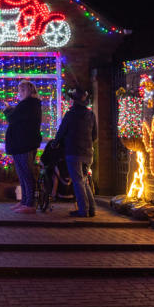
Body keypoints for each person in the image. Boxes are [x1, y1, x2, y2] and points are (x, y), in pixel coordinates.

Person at [52, 89, 97, 217]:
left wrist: (56, 143)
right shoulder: (91, 115)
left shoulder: (70, 114)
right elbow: (95, 135)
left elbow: (61, 132)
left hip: (73, 152)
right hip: (88, 152)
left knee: (78, 181)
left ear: (74, 100)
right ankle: (91, 209)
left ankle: (83, 210)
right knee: (84, 180)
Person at [4, 80, 42, 214]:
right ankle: (25, 201)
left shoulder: (29, 105)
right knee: (23, 174)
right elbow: (18, 118)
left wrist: (8, 110)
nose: (19, 93)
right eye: (19, 90)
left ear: (28, 91)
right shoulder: (28, 105)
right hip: (21, 144)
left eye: (21, 90)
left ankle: (29, 203)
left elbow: (13, 118)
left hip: (24, 144)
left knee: (26, 174)